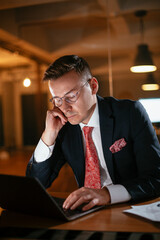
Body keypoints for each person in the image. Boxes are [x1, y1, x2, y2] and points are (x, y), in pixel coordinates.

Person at [26, 55, 160, 211]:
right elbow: (36, 183)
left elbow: (156, 178)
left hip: (133, 208)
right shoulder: (63, 126)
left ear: (93, 86)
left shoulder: (130, 113)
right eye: (57, 99)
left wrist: (108, 194)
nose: (65, 107)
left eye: (70, 96)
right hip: (88, 212)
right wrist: (48, 135)